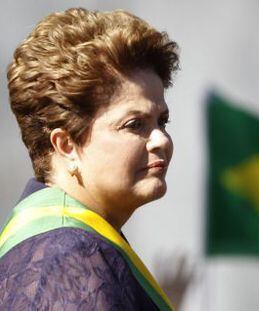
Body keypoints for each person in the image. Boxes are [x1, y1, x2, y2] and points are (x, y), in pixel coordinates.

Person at [0, 7, 179, 310]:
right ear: (66, 145)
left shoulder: (64, 245)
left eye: (162, 121)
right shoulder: (68, 258)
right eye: (135, 125)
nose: (161, 139)